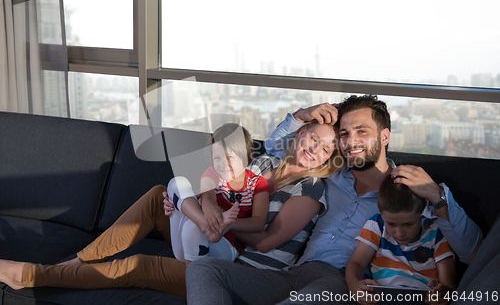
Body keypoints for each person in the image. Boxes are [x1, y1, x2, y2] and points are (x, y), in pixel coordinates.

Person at [185, 94, 483, 305]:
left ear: (384, 136)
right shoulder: (329, 176)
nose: (350, 140)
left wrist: (438, 195)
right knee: (203, 270)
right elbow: (278, 152)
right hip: (291, 273)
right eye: (344, 133)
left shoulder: (407, 192)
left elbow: (472, 252)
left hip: (342, 282)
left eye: (361, 131)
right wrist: (301, 116)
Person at [0, 120, 341, 298]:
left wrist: (217, 222)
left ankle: (29, 275)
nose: (316, 149)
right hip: (211, 239)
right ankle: (81, 260)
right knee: (160, 193)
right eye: (314, 137)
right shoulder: (264, 161)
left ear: (330, 159)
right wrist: (187, 208)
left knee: (137, 266)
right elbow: (214, 187)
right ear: (300, 134)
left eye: (327, 148)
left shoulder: (312, 188)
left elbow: (266, 242)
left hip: (242, 271)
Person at [167, 123, 270, 265]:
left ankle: (194, 277)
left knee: (192, 227)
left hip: (224, 247)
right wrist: (211, 215)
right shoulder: (212, 174)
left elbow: (258, 222)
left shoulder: (258, 183)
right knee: (177, 182)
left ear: (245, 156)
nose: (223, 164)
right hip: (186, 242)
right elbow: (208, 196)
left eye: (229, 157)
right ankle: (205, 226)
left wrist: (228, 224)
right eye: (217, 158)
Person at [346, 174, 455, 305]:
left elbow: (448, 286)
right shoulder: (377, 225)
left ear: (422, 213)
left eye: (408, 224)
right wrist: (354, 285)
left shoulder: (436, 233)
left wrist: (443, 293)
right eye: (391, 224)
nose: (400, 233)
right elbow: (357, 262)